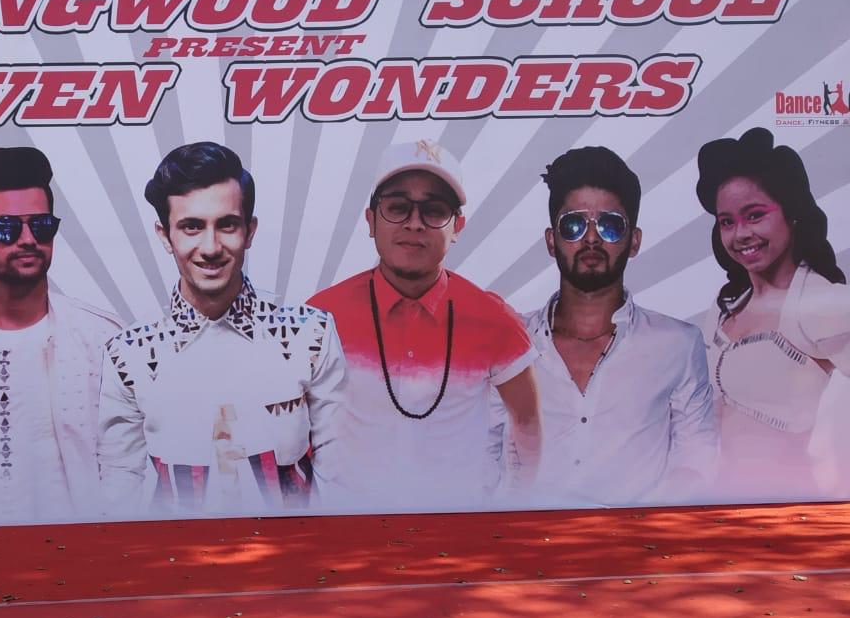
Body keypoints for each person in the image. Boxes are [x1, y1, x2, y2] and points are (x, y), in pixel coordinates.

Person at [98, 142, 347, 516]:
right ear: (165, 236)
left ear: (250, 231)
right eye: (192, 227)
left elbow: (339, 479)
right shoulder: (128, 353)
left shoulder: (312, 334)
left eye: (227, 225)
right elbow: (118, 494)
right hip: (172, 550)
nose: (210, 247)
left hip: (295, 549)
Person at [308, 139, 540, 509]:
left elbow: (527, 424)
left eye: (434, 211)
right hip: (344, 530)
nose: (414, 224)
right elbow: (291, 431)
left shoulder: (494, 318)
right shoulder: (320, 318)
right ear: (370, 220)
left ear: (457, 226)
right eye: (397, 207)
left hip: (458, 530)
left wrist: (511, 510)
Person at [0, 146, 120, 524]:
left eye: (41, 226)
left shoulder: (100, 339)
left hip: (75, 549)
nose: (28, 239)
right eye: (7, 227)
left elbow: (124, 464)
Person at [513, 146, 716, 505]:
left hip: (640, 538)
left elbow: (696, 460)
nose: (591, 238)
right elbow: (484, 456)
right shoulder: (510, 344)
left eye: (610, 225)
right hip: (524, 537)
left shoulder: (678, 345)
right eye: (573, 224)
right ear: (551, 241)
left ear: (634, 241)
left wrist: (638, 529)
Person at [695, 126, 850, 497]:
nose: (740, 234)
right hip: (718, 503)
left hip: (792, 508)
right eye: (727, 221)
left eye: (755, 215)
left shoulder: (823, 303)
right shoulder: (725, 306)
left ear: (792, 213)